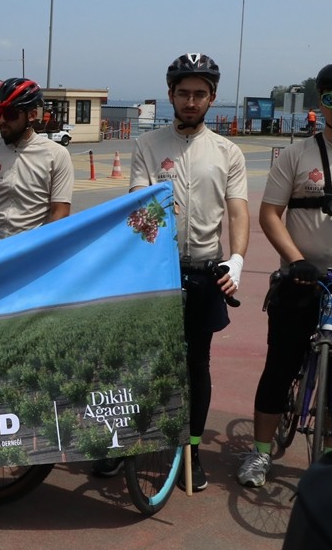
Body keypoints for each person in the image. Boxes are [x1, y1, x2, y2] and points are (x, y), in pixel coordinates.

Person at [93, 53, 249, 491]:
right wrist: (155, 208)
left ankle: (191, 450)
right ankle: (125, 443)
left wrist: (237, 259)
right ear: (170, 95)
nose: (191, 101)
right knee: (137, 362)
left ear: (212, 98)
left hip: (204, 271)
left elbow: (238, 211)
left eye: (200, 93)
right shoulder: (147, 145)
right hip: (155, 272)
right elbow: (137, 202)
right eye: (183, 93)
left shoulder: (227, 152)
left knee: (197, 363)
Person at [238, 56, 332, 488]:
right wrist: (295, 260)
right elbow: (270, 214)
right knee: (280, 365)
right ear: (321, 103)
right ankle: (261, 453)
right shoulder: (296, 154)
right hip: (301, 277)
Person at [0, 78, 74, 245]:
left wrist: (42, 251)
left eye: (10, 114)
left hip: (30, 252)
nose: (2, 120)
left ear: (32, 115)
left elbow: (60, 212)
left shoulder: (56, 155)